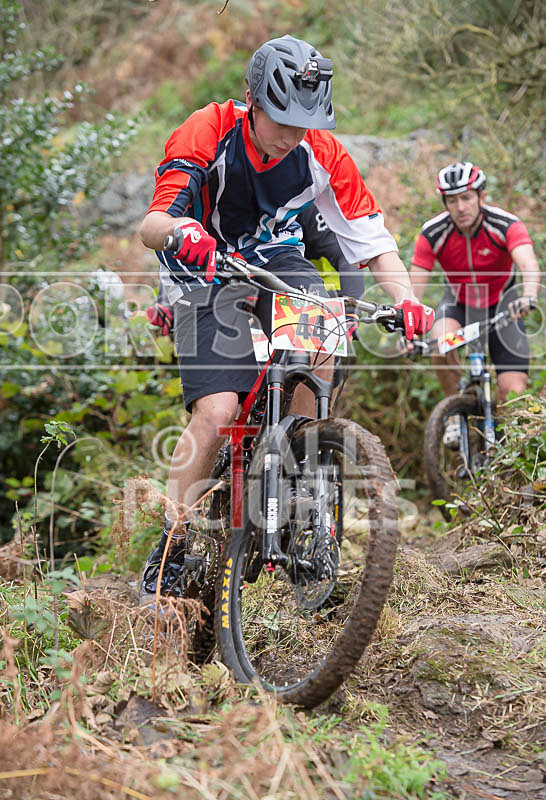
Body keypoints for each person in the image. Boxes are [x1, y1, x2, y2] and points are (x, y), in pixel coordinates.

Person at [138, 34, 434, 603]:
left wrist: (406, 301)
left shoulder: (321, 152)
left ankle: (302, 501)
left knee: (322, 354)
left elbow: (374, 242)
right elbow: (152, 224)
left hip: (279, 263)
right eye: (281, 120)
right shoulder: (207, 128)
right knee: (219, 409)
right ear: (251, 100)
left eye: (305, 121)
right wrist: (185, 231)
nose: (293, 135)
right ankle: (171, 547)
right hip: (203, 267)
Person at [410, 161, 540, 445]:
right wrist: (407, 328)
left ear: (481, 196)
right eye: (452, 200)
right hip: (459, 305)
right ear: (444, 202)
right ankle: (456, 412)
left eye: (466, 197)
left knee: (513, 391)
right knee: (439, 341)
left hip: (503, 309)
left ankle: (509, 453)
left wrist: (529, 295)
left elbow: (529, 264)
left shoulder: (505, 224)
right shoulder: (433, 232)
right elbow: (413, 291)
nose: (460, 207)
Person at [146, 202, 365, 336]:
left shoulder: (309, 207)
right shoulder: (228, 201)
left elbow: (347, 260)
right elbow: (197, 255)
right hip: (244, 289)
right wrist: (164, 301)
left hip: (315, 293)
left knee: (324, 358)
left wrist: (351, 313)